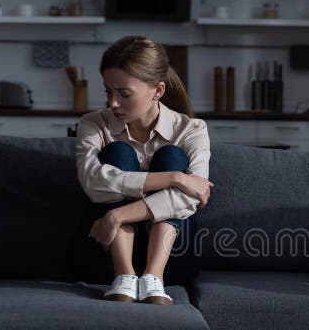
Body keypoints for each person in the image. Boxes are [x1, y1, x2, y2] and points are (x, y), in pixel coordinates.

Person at [76, 35, 212, 305]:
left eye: (124, 94)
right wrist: (176, 179)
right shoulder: (93, 124)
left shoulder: (192, 130)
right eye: (108, 91)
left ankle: (154, 275)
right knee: (118, 152)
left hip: (174, 258)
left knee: (172, 155)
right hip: (105, 254)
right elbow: (92, 181)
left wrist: (117, 215)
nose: (113, 103)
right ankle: (124, 273)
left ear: (158, 91)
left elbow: (192, 197)